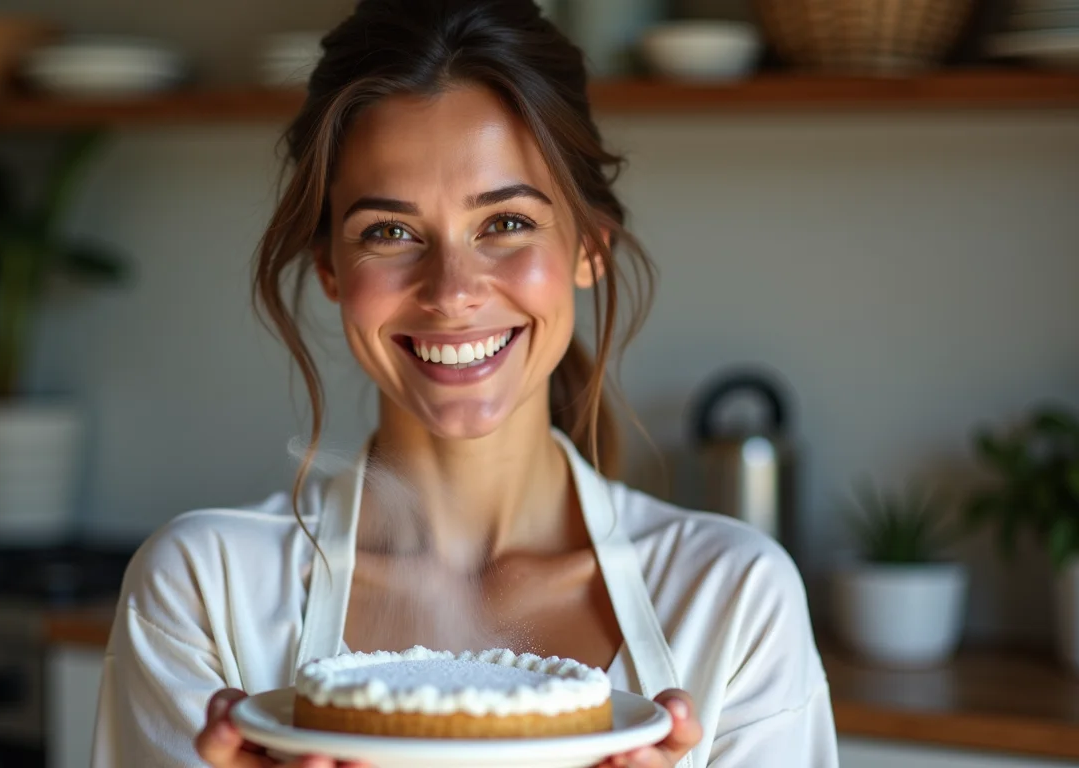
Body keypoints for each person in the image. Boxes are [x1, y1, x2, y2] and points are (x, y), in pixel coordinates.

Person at [92, 1, 838, 766]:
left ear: (589, 246)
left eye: (505, 223)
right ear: (330, 269)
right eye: (389, 232)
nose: (451, 290)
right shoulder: (203, 590)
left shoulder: (732, 600)